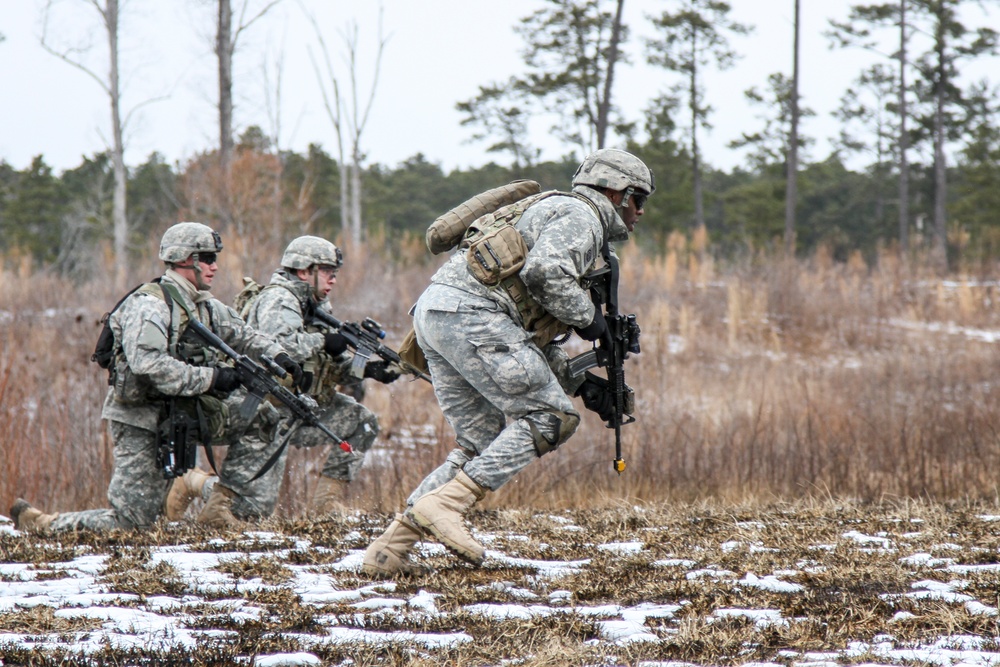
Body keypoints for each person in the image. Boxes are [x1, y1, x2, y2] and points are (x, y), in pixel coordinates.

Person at [362, 148, 654, 576]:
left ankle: (390, 550)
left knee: (480, 443)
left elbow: (523, 338)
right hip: (473, 316)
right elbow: (544, 273)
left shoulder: (553, 210)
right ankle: (445, 505)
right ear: (617, 192)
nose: (641, 212)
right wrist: (594, 324)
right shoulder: (583, 217)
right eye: (639, 199)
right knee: (552, 418)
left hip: (440, 314)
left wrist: (585, 386)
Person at [10, 222, 301, 533]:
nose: (215, 266)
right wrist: (213, 378)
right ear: (184, 259)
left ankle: (226, 507)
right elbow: (149, 365)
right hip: (141, 419)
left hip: (185, 413)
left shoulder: (205, 306)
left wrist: (281, 357)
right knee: (133, 523)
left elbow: (244, 336)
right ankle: (42, 525)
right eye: (207, 258)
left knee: (266, 416)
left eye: (215, 258)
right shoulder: (150, 306)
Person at [164, 235, 399, 525]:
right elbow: (282, 348)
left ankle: (326, 507)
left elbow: (322, 363)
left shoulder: (317, 306)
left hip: (302, 405)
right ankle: (194, 482)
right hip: (269, 408)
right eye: (326, 272)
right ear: (304, 272)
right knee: (252, 510)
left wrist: (369, 370)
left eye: (334, 273)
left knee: (362, 422)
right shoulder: (279, 300)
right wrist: (324, 340)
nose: (333, 280)